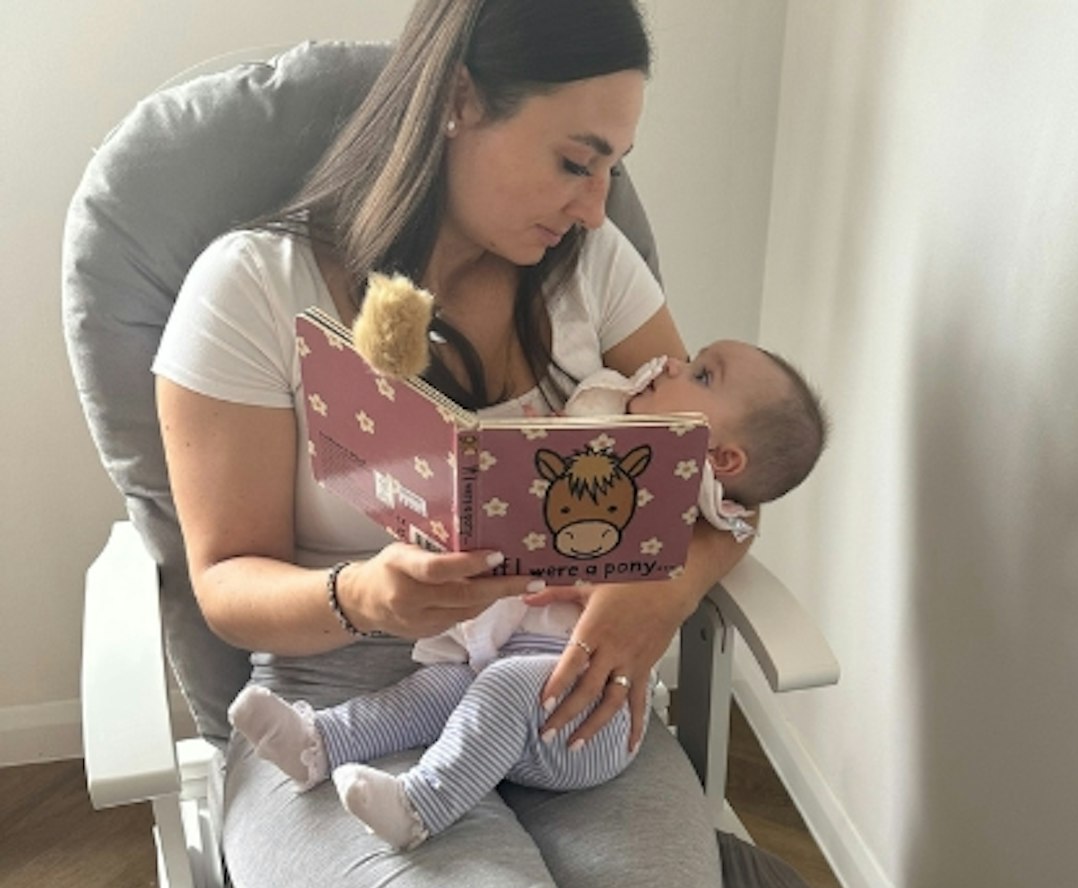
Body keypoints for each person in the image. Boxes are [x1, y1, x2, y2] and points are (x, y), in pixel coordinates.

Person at [154, 1, 924, 888]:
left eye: (614, 165)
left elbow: (724, 485)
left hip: (577, 694)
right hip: (342, 725)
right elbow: (223, 585)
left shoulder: (595, 270)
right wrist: (370, 597)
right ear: (457, 102)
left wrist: (656, 602)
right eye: (575, 159)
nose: (598, 199)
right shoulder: (252, 291)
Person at [226, 344, 826, 851]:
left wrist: (660, 588)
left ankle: (419, 807)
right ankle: (320, 741)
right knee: (436, 689)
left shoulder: (699, 487)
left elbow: (740, 521)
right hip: (517, 675)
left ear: (721, 458)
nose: (668, 363)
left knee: (500, 689)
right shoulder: (618, 425)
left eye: (700, 375)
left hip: (589, 721)